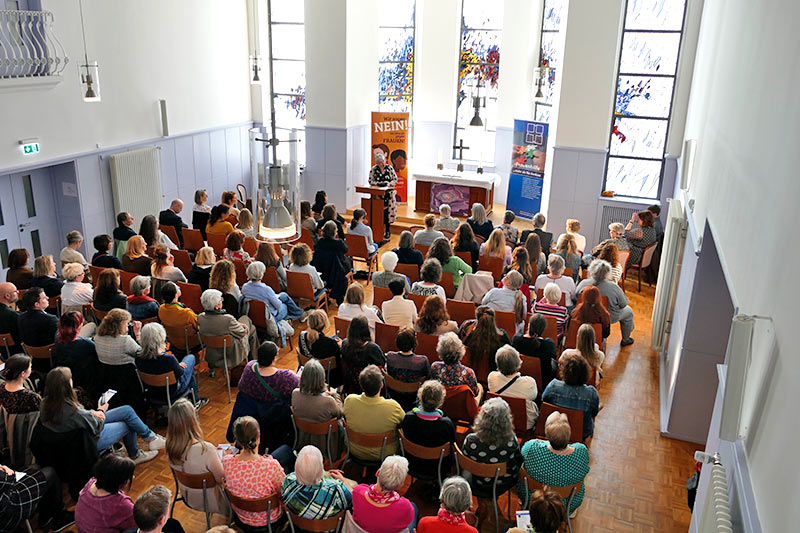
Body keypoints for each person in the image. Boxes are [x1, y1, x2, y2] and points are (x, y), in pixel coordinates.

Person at [41, 367, 164, 463]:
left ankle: (151, 437)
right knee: (129, 423)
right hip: (90, 440)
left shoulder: (45, 404)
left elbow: (80, 419)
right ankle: (135, 455)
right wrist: (101, 410)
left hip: (75, 438)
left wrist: (91, 412)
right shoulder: (73, 411)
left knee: (126, 410)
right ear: (67, 385)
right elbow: (97, 426)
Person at [165, 399, 229, 517]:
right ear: (193, 420)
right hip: (212, 501)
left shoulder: (169, 447)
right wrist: (225, 458)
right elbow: (222, 479)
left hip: (188, 496)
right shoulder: (206, 449)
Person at [519, 411, 590, 516]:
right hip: (565, 504)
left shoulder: (531, 447)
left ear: (547, 433)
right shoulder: (581, 451)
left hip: (533, 499)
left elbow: (521, 459)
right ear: (569, 434)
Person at [223, 416, 287, 527]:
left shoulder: (226, 462)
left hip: (242, 518)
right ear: (258, 436)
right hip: (270, 520)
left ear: (237, 440)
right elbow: (284, 493)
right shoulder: (271, 466)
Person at [462, 397, 522, 497]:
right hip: (503, 484)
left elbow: (465, 462)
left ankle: (484, 502)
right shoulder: (512, 441)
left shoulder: (470, 440)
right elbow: (517, 461)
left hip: (476, 483)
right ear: (507, 420)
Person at [343, 364, 405, 459]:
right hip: (385, 454)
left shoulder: (349, 400)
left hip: (355, 450)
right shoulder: (393, 407)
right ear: (381, 385)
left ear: (361, 384)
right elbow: (405, 424)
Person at [281, 445, 354, 524]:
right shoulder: (336, 489)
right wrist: (344, 482)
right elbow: (353, 502)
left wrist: (324, 475)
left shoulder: (288, 481)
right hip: (329, 528)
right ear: (321, 467)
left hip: (297, 526)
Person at [135, 322, 202, 405]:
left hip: (152, 391)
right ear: (161, 337)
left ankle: (196, 400)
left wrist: (175, 365)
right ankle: (196, 400)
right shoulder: (168, 359)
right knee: (190, 358)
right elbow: (181, 373)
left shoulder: (138, 357)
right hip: (173, 391)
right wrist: (177, 365)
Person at [399, 380, 456, 478]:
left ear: (420, 397)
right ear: (441, 401)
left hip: (412, 463)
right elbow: (453, 447)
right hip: (438, 468)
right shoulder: (446, 424)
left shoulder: (408, 417)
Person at [290, 359, 344, 459]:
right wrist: (336, 395)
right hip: (325, 443)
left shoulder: (295, 393)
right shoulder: (329, 401)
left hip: (303, 440)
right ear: (322, 378)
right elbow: (340, 412)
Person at [0, 462, 73, 532]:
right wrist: (6, 471)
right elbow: (8, 480)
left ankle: (46, 517)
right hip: (8, 508)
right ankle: (59, 519)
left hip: (6, 490)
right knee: (50, 472)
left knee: (34, 468)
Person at [352, 455, 417, 533]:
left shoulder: (358, 492)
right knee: (414, 507)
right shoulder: (406, 507)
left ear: (377, 473)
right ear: (400, 485)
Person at [576, 260, 634, 346]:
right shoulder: (614, 287)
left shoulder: (583, 283)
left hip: (584, 314)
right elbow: (623, 304)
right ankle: (626, 339)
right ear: (608, 273)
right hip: (607, 316)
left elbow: (576, 297)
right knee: (629, 311)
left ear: (591, 270)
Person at [542, 353, 599, 440]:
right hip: (581, 433)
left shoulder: (553, 386)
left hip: (554, 430)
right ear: (586, 373)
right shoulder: (591, 393)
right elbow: (594, 412)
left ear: (564, 371)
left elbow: (544, 402)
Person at [74, 454, 138, 532]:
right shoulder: (121, 504)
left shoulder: (91, 483)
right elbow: (139, 524)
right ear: (120, 481)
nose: (133, 477)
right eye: (129, 476)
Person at [197, 289, 258, 370]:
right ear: (217, 306)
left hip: (212, 355)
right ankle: (254, 361)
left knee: (251, 328)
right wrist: (242, 326)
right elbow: (242, 333)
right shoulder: (228, 319)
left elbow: (218, 326)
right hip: (232, 356)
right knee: (248, 323)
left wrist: (237, 324)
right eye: (221, 300)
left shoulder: (200, 317)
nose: (222, 301)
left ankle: (254, 361)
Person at [242, 261, 303, 341]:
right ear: (261, 274)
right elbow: (278, 306)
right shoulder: (266, 289)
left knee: (284, 295)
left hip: (255, 316)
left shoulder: (245, 287)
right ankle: (293, 317)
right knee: (285, 305)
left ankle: (297, 313)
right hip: (270, 318)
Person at [488, 345, 538, 429]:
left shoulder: (492, 377)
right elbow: (533, 397)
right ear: (518, 362)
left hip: (498, 420)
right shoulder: (530, 383)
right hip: (524, 424)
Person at [461, 306, 510, 382]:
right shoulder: (502, 337)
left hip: (471, 378)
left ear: (477, 320)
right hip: (495, 380)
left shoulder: (469, 337)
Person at [385, 326, 431, 406]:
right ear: (414, 343)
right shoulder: (422, 361)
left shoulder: (390, 357)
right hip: (413, 399)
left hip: (394, 397)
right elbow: (428, 377)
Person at [340, 316, 385, 395]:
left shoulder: (344, 344)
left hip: (352, 387)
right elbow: (382, 365)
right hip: (371, 387)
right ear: (366, 330)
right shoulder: (373, 348)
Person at [53, 312, 97, 391]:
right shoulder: (87, 344)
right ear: (79, 326)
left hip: (66, 367)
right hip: (83, 375)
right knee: (92, 325)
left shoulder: (57, 336)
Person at [513, 314, 558, 389]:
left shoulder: (516, 340)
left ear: (529, 325)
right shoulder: (548, 345)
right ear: (543, 329)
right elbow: (554, 356)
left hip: (519, 378)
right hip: (542, 382)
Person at [430, 332, 480, 397]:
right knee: (480, 387)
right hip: (460, 403)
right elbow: (475, 393)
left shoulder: (435, 367)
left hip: (441, 401)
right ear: (461, 350)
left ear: (440, 350)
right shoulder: (468, 373)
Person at [312, 220, 350, 303]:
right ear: (334, 232)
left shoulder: (319, 241)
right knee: (348, 262)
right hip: (337, 270)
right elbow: (346, 250)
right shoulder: (339, 242)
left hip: (322, 268)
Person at [17, 287, 58, 353]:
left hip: (31, 354)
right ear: (37, 304)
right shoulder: (51, 319)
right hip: (49, 354)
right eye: (44, 298)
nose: (47, 298)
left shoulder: (20, 317)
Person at [368, 150, 398, 239]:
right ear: (377, 163)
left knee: (387, 213)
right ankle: (377, 230)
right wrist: (379, 184)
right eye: (380, 162)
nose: (383, 164)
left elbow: (395, 179)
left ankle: (388, 230)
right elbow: (370, 181)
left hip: (389, 196)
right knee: (378, 213)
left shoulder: (390, 168)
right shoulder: (374, 169)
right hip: (377, 195)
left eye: (383, 161)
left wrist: (390, 184)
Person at [0, 282, 21, 352]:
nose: (18, 292)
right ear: (7, 296)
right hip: (17, 352)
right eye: (15, 291)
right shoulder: (12, 315)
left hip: (3, 352)